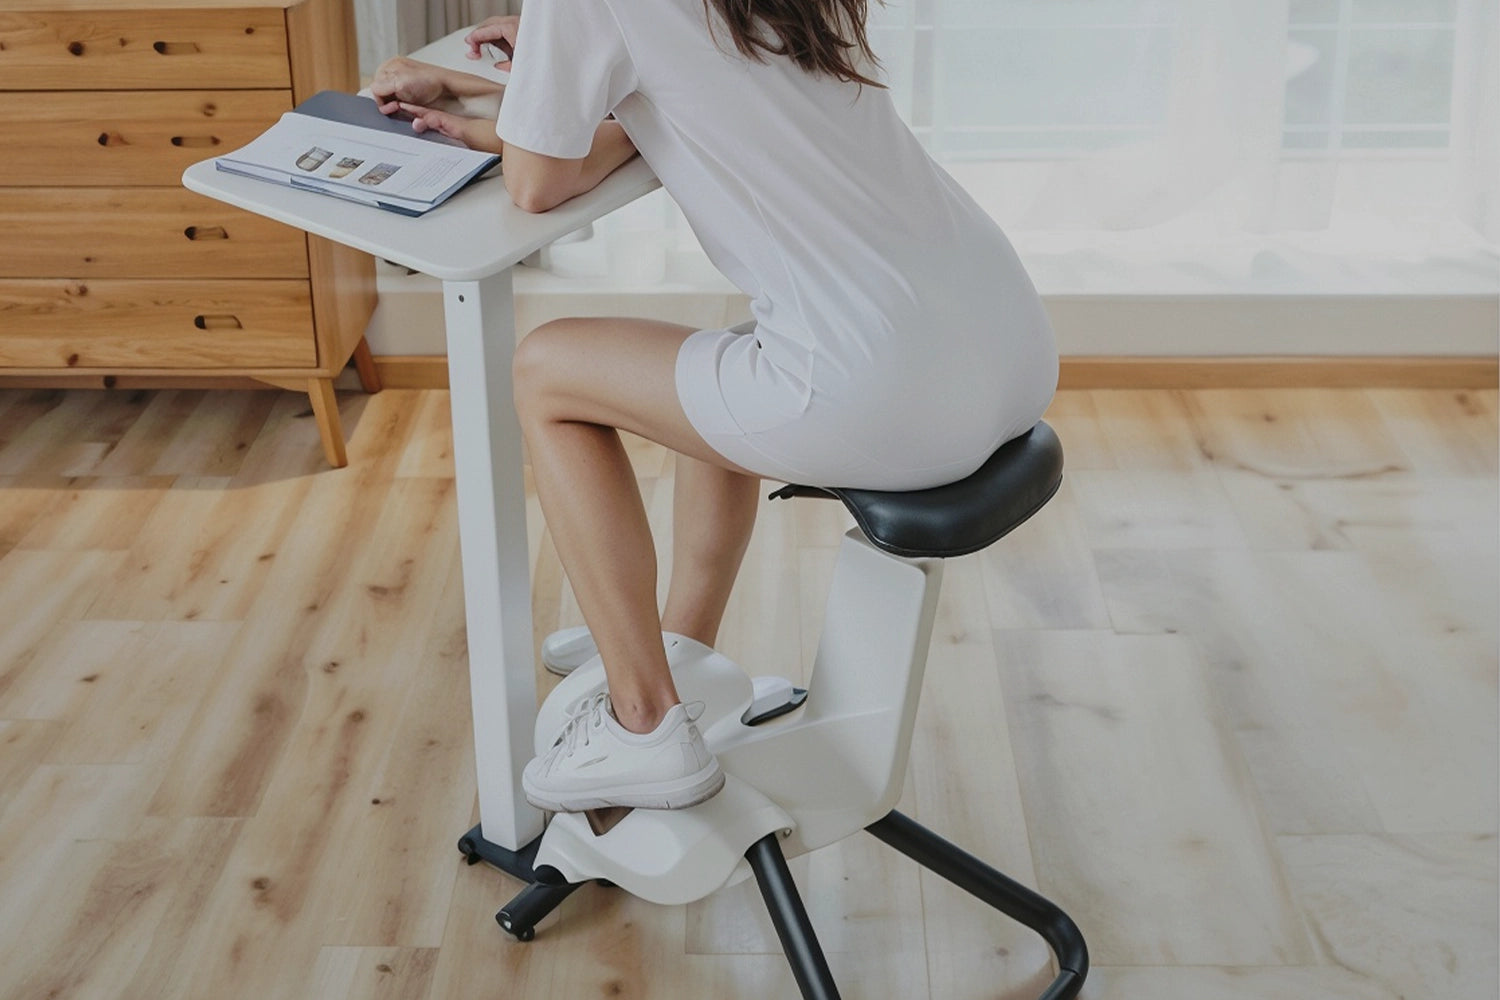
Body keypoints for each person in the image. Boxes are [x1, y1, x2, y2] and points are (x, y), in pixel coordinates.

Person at [370, 0, 1058, 815]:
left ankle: (644, 721)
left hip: (884, 391)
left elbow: (538, 181)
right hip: (1000, 340)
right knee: (714, 366)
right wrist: (502, 76)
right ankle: (676, 649)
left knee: (546, 369)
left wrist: (488, 89)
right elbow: (680, 92)